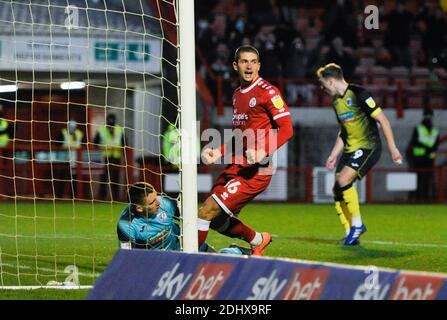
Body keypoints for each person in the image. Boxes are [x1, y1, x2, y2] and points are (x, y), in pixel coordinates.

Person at [198, 45, 294, 256]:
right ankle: (259, 240)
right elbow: (240, 134)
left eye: (253, 62)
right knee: (215, 221)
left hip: (258, 170)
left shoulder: (268, 92)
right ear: (235, 65)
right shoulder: (236, 95)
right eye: (244, 61)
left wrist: (263, 151)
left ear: (259, 66)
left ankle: (189, 259)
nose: (249, 66)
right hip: (237, 164)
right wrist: (219, 151)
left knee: (206, 212)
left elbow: (287, 129)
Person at [317, 63, 403, 245]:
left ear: (331, 81)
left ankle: (357, 225)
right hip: (349, 149)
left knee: (343, 180)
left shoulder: (359, 93)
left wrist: (393, 148)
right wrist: (334, 154)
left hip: (368, 146)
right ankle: (350, 232)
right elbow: (344, 131)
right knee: (337, 190)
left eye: (323, 84)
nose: (322, 88)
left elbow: (383, 120)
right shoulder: (336, 103)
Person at [117, 182, 251, 255]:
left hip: (186, 245)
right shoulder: (126, 225)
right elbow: (126, 258)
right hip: (159, 262)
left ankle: (235, 251)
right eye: (152, 202)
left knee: (220, 265)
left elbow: (191, 218)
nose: (158, 202)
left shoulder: (166, 203)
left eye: (156, 197)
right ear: (139, 208)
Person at [406, 108, 440, 201]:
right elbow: (414, 142)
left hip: (429, 159)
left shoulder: (435, 131)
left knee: (427, 180)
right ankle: (416, 198)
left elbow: (436, 145)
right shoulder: (418, 128)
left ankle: (426, 198)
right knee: (417, 179)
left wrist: (429, 150)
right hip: (418, 158)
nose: (428, 117)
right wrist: (427, 149)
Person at [94, 113, 126, 201]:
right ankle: (102, 197)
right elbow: (95, 143)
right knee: (103, 178)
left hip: (116, 156)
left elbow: (125, 143)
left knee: (115, 178)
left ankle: (115, 197)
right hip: (104, 156)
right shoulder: (101, 130)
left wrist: (119, 149)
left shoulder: (120, 130)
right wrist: (103, 147)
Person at [55, 120, 84, 198]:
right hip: (64, 159)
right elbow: (57, 144)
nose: (72, 129)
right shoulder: (63, 132)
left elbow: (83, 145)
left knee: (75, 178)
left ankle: (74, 196)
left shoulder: (80, 134)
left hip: (76, 160)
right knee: (62, 177)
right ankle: (59, 196)